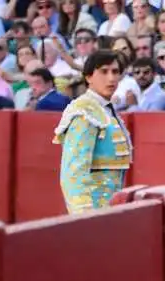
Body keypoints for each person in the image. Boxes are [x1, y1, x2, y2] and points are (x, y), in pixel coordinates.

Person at [54, 50, 132, 214]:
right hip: (95, 213)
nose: (111, 78)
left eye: (115, 72)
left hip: (111, 213)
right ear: (88, 77)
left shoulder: (105, 110)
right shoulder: (85, 112)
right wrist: (86, 219)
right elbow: (73, 174)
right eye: (104, 71)